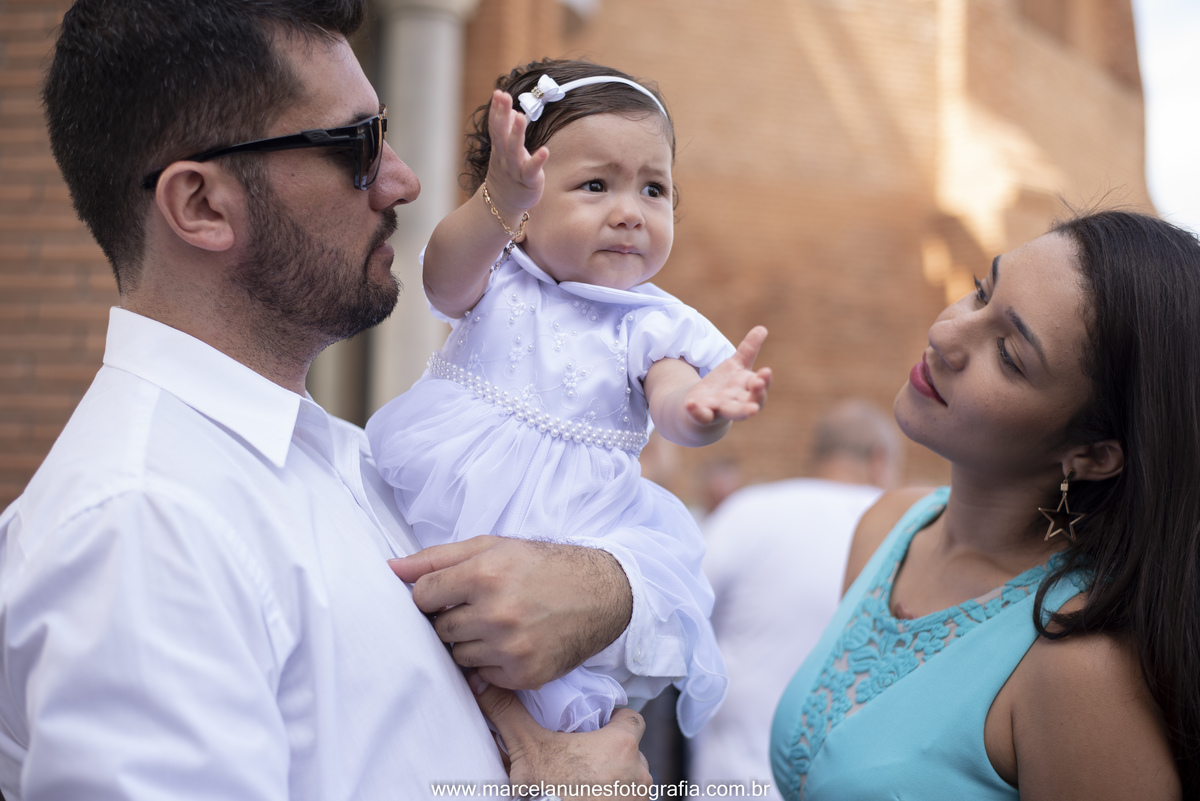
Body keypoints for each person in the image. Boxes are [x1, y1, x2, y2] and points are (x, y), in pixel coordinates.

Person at [0, 1, 703, 797]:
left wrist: (602, 587)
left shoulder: (346, 456)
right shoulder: (140, 527)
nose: (403, 179)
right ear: (201, 204)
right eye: (355, 145)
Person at [365, 58, 772, 737]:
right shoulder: (499, 273)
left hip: (566, 537)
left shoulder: (650, 323)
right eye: (595, 185)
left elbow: (672, 398)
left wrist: (703, 408)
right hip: (444, 487)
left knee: (519, 711)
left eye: (653, 189)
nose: (629, 213)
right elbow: (440, 277)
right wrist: (497, 202)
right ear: (524, 208)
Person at [771, 210, 1199, 799]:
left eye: (1008, 354)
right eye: (981, 291)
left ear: (1093, 454)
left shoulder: (1076, 665)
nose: (946, 335)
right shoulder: (891, 524)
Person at [690, 400, 900, 799]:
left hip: (732, 784)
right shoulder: (901, 527)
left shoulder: (748, 510)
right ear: (879, 459)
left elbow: (678, 612)